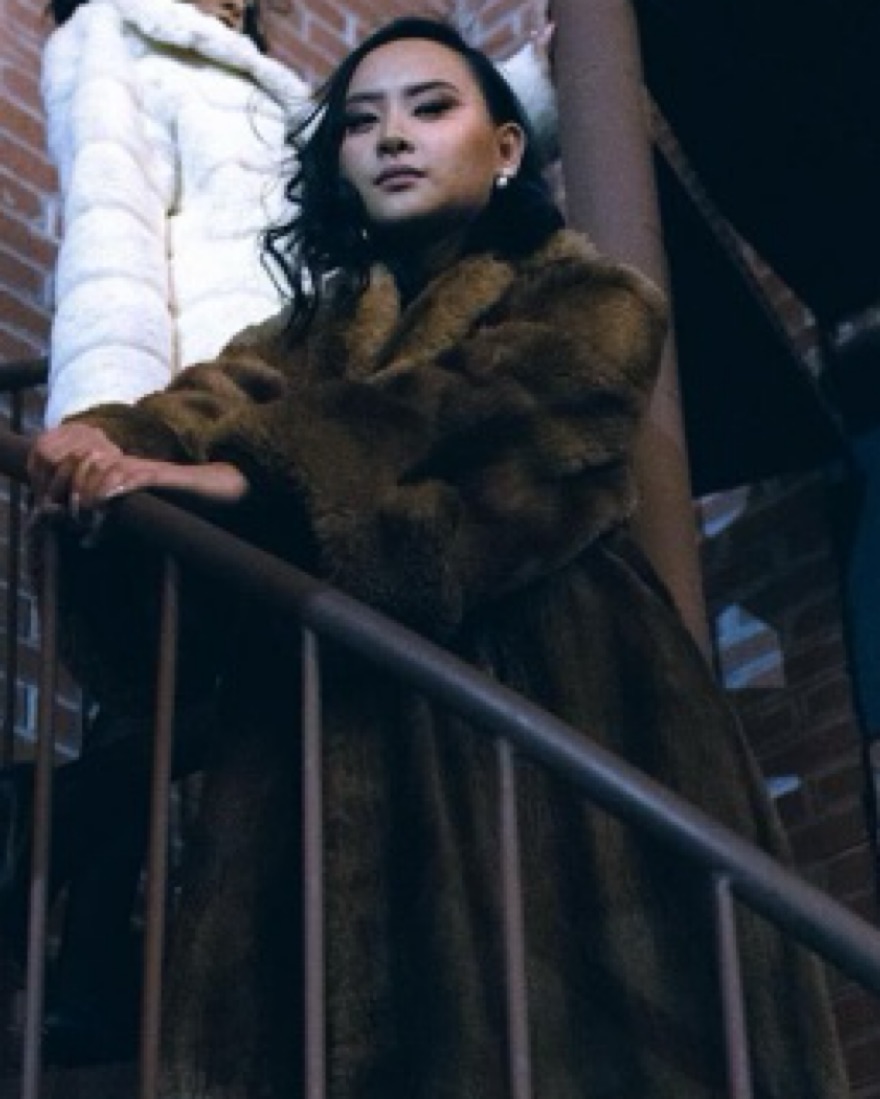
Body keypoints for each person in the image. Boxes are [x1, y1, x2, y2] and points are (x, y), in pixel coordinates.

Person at [24, 16, 849, 1097]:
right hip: (324, 741)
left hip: (562, 700)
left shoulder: (585, 296)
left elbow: (488, 409)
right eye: (360, 122)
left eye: (430, 107)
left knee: (566, 1033)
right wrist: (107, 440)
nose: (391, 138)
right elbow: (207, 403)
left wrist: (261, 476)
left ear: (506, 148)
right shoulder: (301, 336)